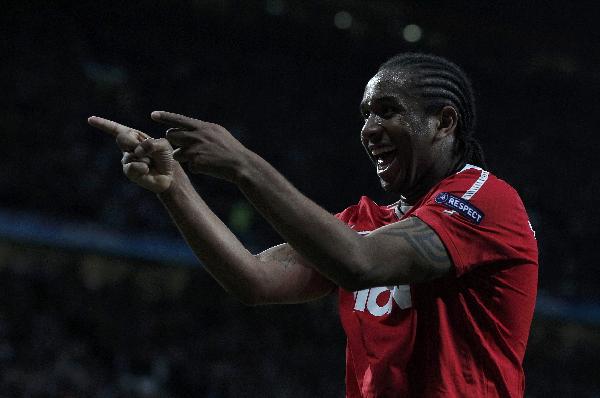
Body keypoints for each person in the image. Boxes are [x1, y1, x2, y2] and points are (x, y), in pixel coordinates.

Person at [88, 53, 538, 397]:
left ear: (443, 121)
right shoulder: (365, 223)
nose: (369, 128)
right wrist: (174, 187)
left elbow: (360, 264)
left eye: (387, 110)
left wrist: (244, 165)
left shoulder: (486, 202)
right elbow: (255, 279)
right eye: (365, 114)